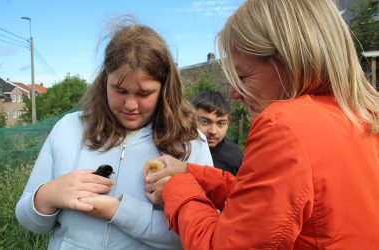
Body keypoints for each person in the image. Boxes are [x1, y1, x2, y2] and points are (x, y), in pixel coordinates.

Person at [143, 0, 379, 249]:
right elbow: (269, 201)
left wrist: (177, 187)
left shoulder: (284, 126)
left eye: (243, 76)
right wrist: (190, 172)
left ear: (291, 60)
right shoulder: (361, 117)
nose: (234, 93)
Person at [15, 21, 213, 250]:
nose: (130, 104)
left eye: (144, 93)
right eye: (120, 90)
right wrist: (46, 196)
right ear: (104, 81)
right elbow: (29, 221)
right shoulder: (68, 129)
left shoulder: (189, 141)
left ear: (165, 89)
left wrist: (121, 212)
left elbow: (203, 234)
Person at [192, 91, 243, 175]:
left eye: (220, 124)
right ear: (191, 119)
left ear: (228, 124)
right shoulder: (178, 149)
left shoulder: (235, 157)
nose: (213, 131)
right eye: (205, 122)